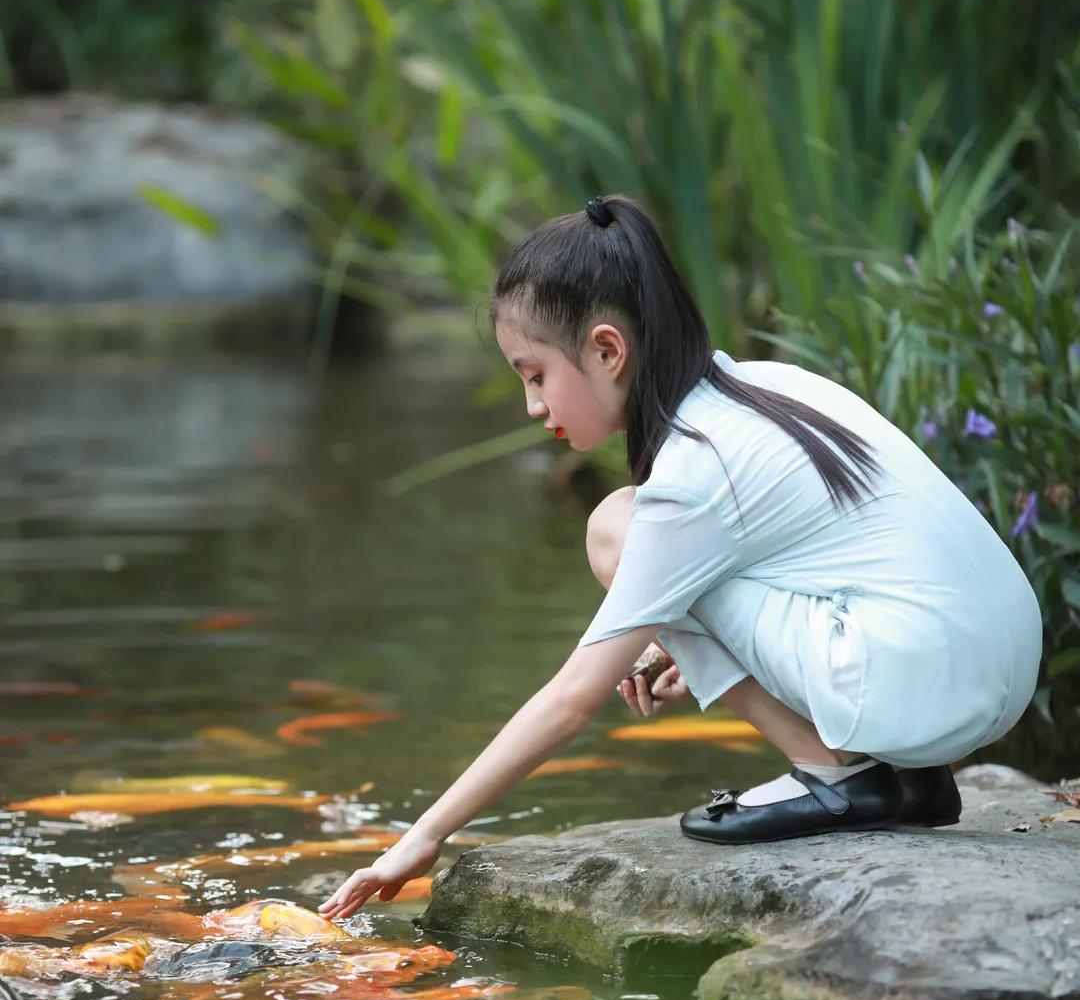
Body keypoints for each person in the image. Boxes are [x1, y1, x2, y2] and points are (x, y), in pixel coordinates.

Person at [318, 194, 1043, 918]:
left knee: (615, 529)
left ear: (607, 350)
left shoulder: (694, 477)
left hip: (925, 677)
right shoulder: (766, 384)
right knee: (635, 536)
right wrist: (682, 636)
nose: (533, 406)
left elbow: (573, 699)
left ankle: (834, 774)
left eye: (535, 374)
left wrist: (423, 835)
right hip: (995, 667)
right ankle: (911, 777)